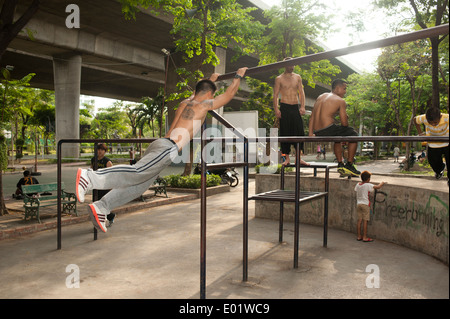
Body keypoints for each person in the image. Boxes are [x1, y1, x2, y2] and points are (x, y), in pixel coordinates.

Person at [76, 67, 248, 232]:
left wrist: (210, 80)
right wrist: (238, 76)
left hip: (159, 144)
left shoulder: (186, 102)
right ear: (210, 94)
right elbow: (229, 94)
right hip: (168, 148)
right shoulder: (203, 105)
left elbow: (198, 92)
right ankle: (89, 177)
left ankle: (102, 206)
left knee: (138, 186)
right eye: (212, 93)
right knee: (137, 172)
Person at [309, 79, 360, 177]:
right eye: (344, 89)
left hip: (318, 131)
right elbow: (344, 124)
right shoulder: (340, 101)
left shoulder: (321, 96)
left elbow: (312, 116)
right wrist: (345, 116)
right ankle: (349, 164)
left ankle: (340, 164)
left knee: (338, 137)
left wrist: (310, 133)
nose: (345, 91)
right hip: (329, 129)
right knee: (354, 134)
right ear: (337, 88)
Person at [273, 58, 309, 166]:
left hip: (295, 107)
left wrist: (302, 106)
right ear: (285, 65)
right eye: (290, 65)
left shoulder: (297, 77)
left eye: (293, 65)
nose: (292, 67)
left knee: (299, 132)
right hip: (284, 107)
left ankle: (298, 158)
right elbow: (275, 95)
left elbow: (301, 93)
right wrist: (276, 109)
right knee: (285, 132)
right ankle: (287, 159)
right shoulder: (279, 78)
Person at [414, 108, 449, 185]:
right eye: (430, 123)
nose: (433, 124)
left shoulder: (446, 118)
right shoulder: (424, 118)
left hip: (447, 142)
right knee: (432, 161)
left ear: (440, 117)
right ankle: (439, 170)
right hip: (433, 143)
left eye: (435, 122)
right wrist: (420, 133)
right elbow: (415, 120)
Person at [354, 171, 386, 242]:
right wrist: (382, 182)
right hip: (365, 204)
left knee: (359, 221)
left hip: (358, 204)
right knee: (365, 221)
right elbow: (378, 187)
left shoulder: (358, 184)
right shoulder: (368, 185)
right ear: (368, 179)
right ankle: (365, 237)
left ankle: (359, 236)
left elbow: (356, 190)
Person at [90, 143, 115, 226]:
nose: (99, 151)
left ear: (105, 151)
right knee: (95, 204)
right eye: (98, 149)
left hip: (104, 187)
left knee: (102, 205)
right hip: (96, 186)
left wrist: (111, 187)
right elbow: (91, 169)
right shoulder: (94, 159)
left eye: (102, 150)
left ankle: (108, 217)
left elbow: (111, 175)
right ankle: (106, 218)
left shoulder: (107, 161)